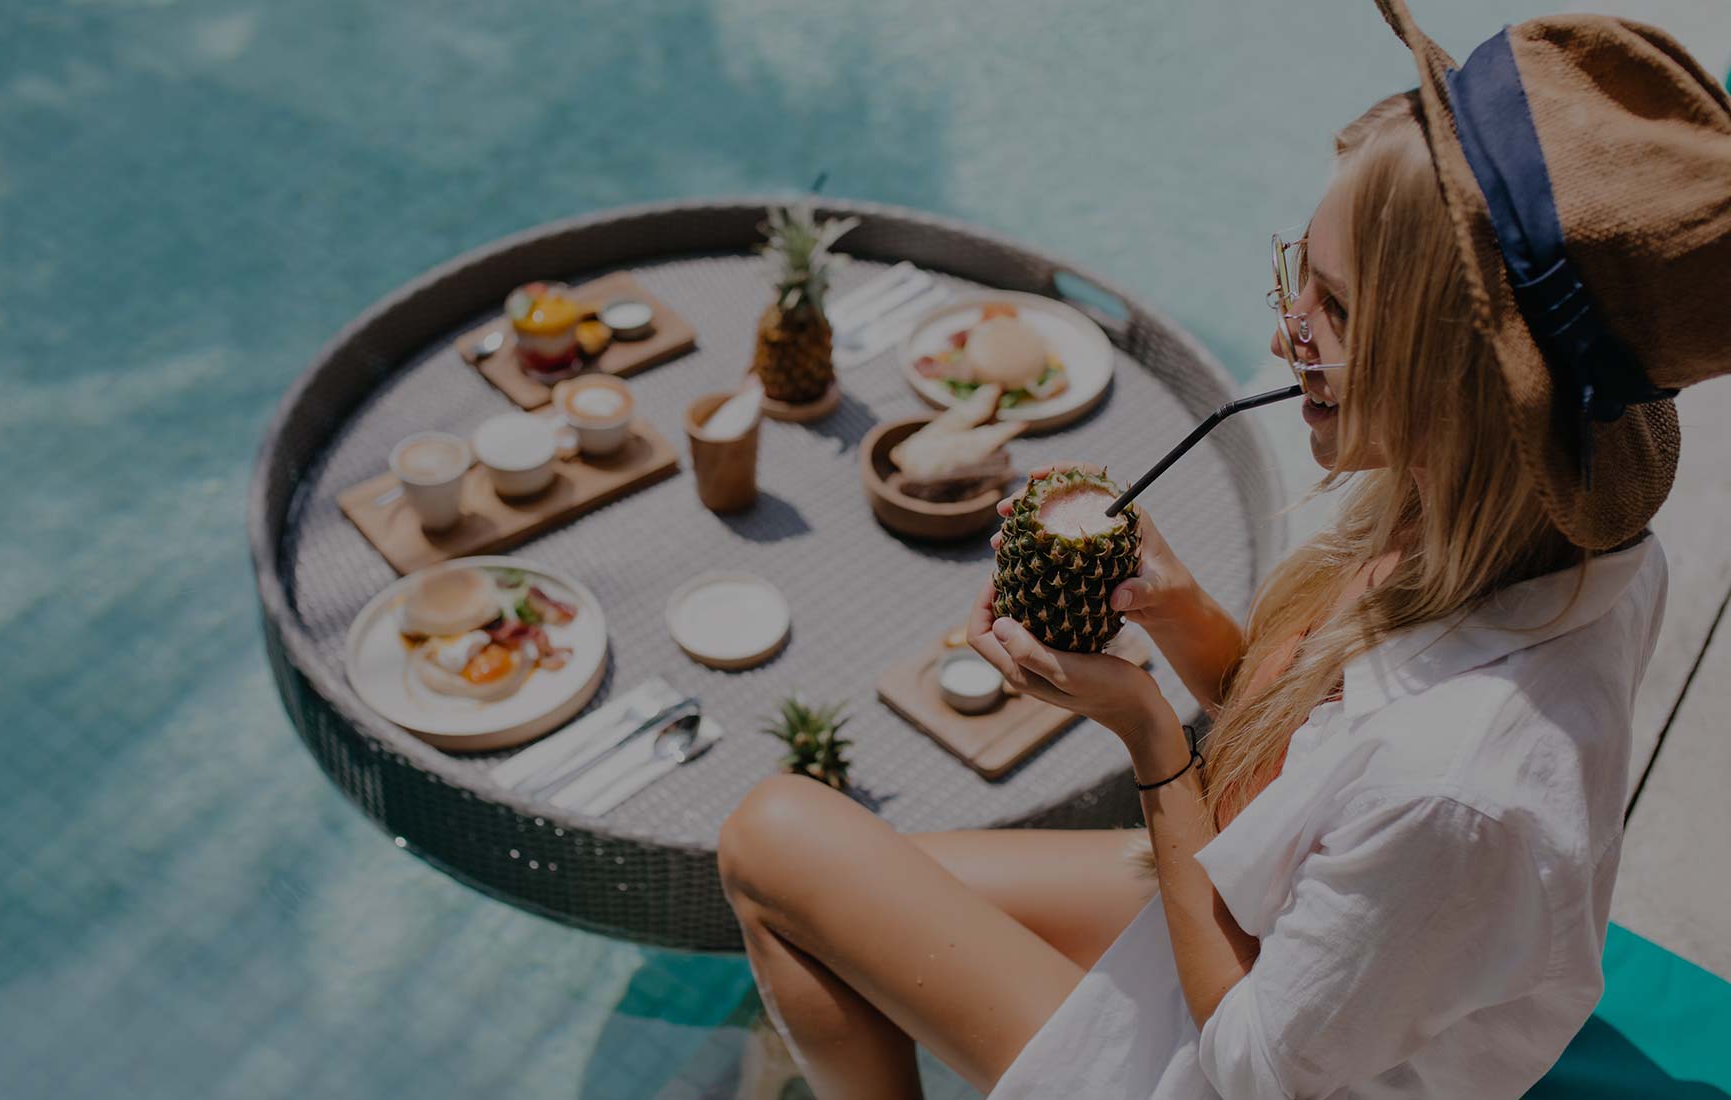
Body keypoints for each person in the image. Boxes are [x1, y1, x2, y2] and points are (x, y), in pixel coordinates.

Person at [716, 2, 1731, 1097]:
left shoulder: (1461, 785)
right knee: (833, 902)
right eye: (1299, 269)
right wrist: (1180, 613)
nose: (1281, 331)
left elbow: (1251, 1068)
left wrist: (1150, 732)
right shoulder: (1523, 537)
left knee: (772, 838)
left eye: (1332, 310)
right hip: (1277, 934)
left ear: (1460, 382)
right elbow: (1321, 772)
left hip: (1227, 1056)